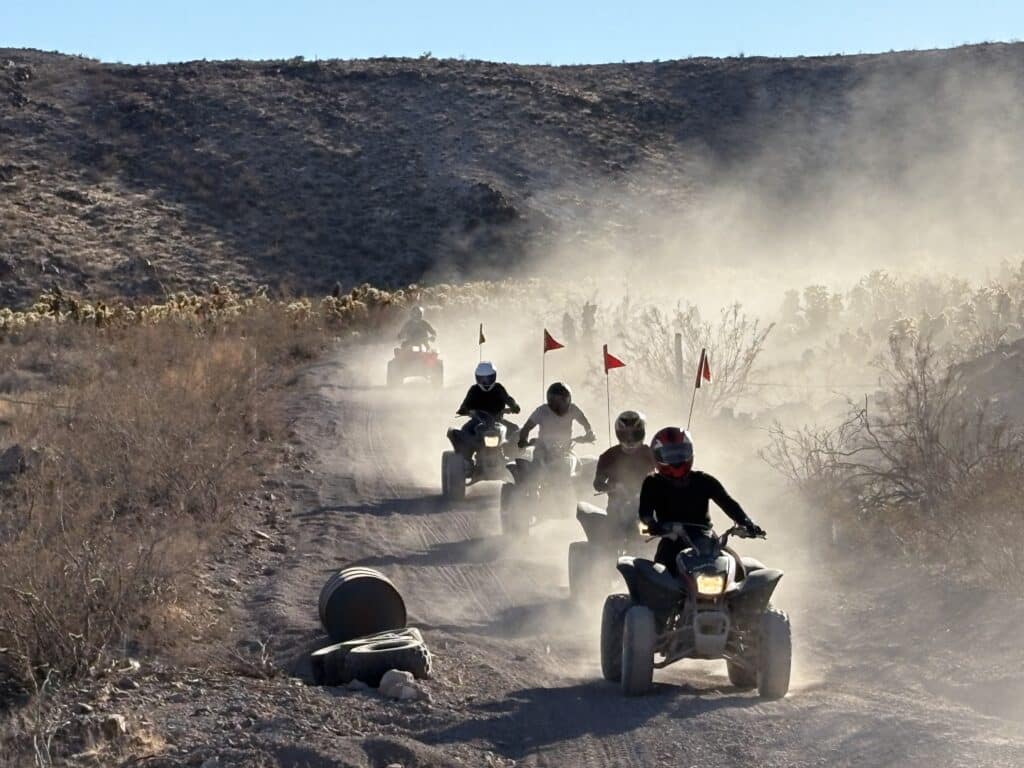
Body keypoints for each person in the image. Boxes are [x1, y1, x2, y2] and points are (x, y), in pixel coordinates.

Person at [638, 427, 764, 576]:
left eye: (680, 453)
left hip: (706, 539)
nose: (676, 460)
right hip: (672, 539)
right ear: (657, 457)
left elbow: (728, 503)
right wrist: (653, 525)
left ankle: (743, 600)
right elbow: (645, 512)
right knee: (659, 576)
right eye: (670, 455)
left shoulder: (703, 480)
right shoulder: (652, 482)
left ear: (690, 452)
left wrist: (747, 523)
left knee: (737, 569)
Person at [593, 411, 656, 519]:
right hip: (618, 506)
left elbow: (668, 472)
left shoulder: (652, 453)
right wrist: (611, 487)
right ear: (618, 434)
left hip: (647, 504)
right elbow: (598, 483)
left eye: (635, 434)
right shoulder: (608, 456)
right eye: (625, 435)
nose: (630, 439)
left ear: (642, 433)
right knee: (612, 529)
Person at [517, 382, 596, 465]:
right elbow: (526, 428)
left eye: (562, 401)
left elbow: (585, 424)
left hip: (565, 449)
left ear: (568, 399)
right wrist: (523, 440)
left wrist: (589, 433)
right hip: (543, 449)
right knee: (534, 468)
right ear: (550, 401)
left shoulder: (573, 409)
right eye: (555, 401)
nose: (559, 405)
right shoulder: (542, 411)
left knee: (578, 466)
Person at [453, 362, 521, 457]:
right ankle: (465, 460)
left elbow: (508, 399)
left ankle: (515, 459)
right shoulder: (474, 390)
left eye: (489, 378)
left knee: (516, 430)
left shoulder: (498, 388)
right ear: (477, 378)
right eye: (482, 379)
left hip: (498, 421)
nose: (486, 382)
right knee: (464, 432)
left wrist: (514, 406)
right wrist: (463, 410)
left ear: (494, 376)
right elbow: (466, 403)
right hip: (477, 421)